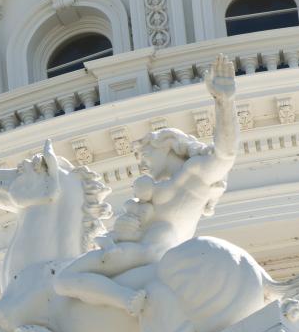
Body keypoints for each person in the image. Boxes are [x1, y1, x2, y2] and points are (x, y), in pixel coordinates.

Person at [51, 53, 239, 316]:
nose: (142, 164)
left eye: (145, 154)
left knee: (64, 279)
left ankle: (126, 299)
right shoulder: (160, 188)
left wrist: (224, 102)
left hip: (153, 252)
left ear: (167, 146)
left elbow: (225, 154)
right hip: (140, 249)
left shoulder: (194, 173)